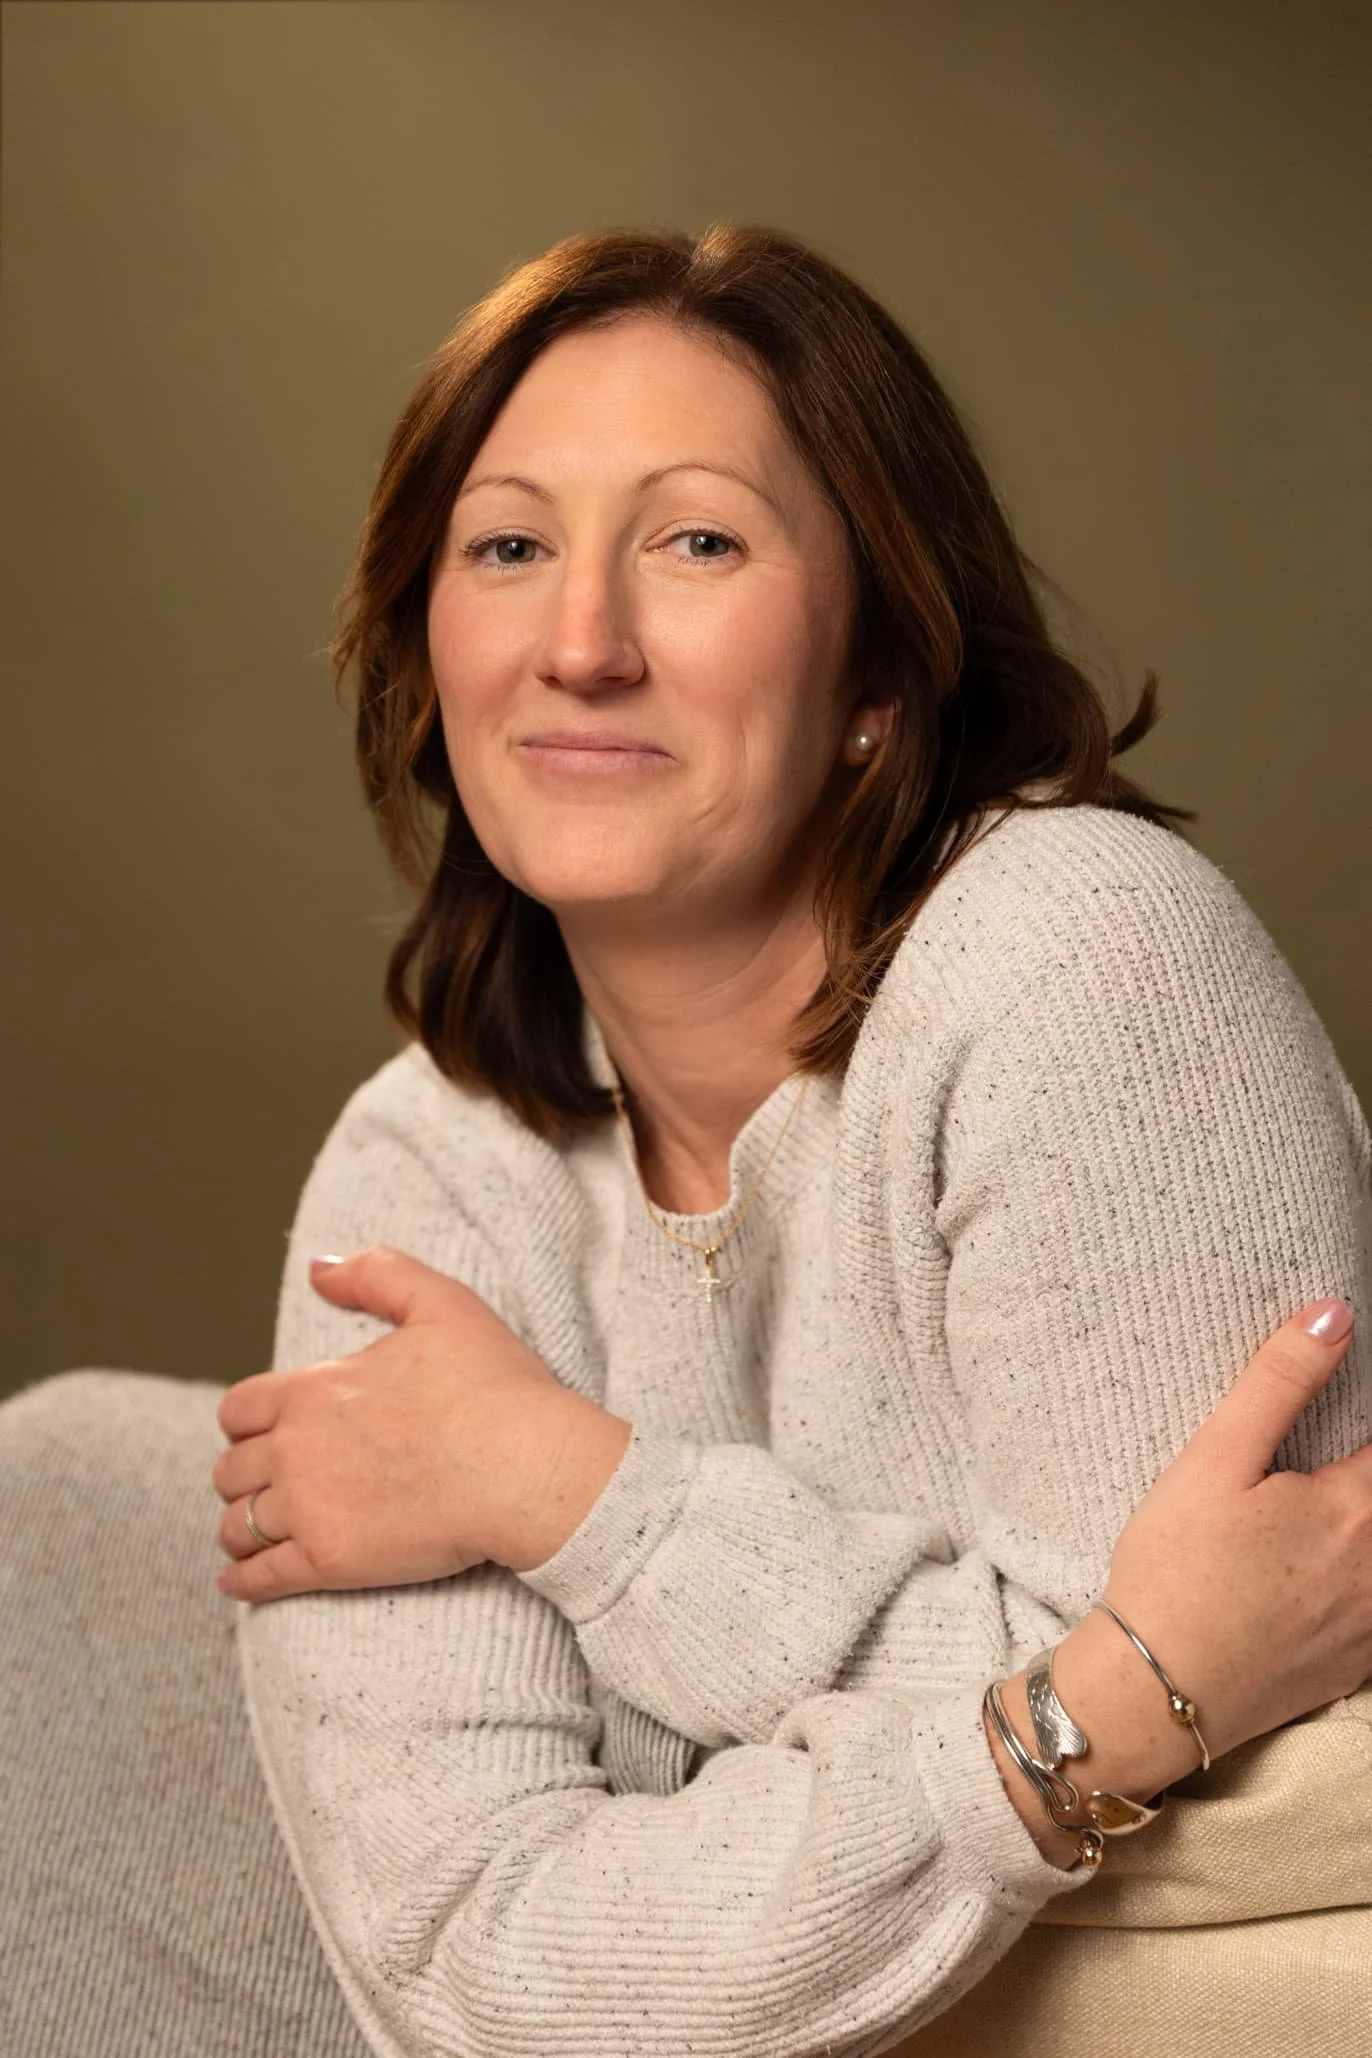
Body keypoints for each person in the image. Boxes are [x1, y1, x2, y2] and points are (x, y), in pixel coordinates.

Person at [2, 225, 1368, 2058]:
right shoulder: (417, 1182)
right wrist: (1093, 1706)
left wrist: (573, 1497)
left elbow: (1266, 1792)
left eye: (697, 540)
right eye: (508, 548)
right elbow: (482, 1976)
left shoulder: (1084, 953)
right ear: (431, 651)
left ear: (881, 664)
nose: (581, 644)